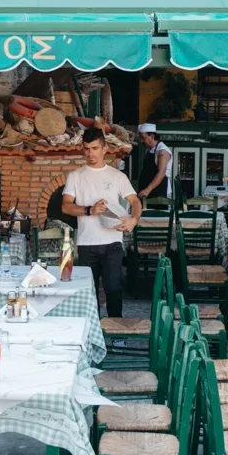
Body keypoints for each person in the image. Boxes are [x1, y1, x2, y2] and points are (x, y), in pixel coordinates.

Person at [61, 127, 141, 319]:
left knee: (113, 288)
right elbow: (65, 206)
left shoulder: (117, 176)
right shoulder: (76, 176)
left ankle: (117, 334)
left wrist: (133, 220)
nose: (90, 153)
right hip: (86, 243)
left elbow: (135, 201)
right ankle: (92, 333)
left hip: (112, 241)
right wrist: (89, 210)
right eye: (87, 148)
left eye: (95, 148)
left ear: (104, 149)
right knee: (90, 292)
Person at [136, 123, 173, 202]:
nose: (141, 141)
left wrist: (147, 190)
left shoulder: (162, 151)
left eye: (143, 138)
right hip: (148, 193)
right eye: (140, 137)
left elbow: (161, 173)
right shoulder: (149, 150)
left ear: (152, 136)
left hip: (160, 193)